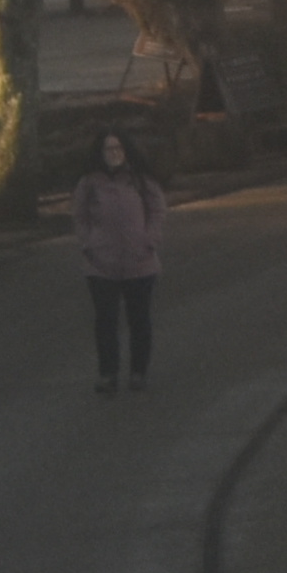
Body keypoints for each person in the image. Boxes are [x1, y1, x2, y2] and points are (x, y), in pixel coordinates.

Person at [69, 128, 166, 392]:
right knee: (106, 321)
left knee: (139, 320)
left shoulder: (140, 180)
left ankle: (138, 372)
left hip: (140, 261)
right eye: (108, 150)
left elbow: (157, 209)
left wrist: (150, 240)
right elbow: (79, 216)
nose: (114, 154)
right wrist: (88, 244)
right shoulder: (90, 182)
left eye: (118, 149)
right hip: (100, 264)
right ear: (100, 154)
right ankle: (108, 374)